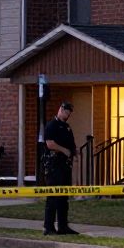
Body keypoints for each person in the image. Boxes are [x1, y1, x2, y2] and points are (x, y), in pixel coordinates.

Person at [42, 100, 79, 235]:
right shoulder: (52, 125)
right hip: (53, 166)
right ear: (61, 109)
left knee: (64, 197)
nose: (68, 114)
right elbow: (50, 144)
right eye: (66, 111)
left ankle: (63, 226)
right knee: (53, 197)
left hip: (65, 166)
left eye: (69, 112)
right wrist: (64, 150)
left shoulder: (67, 127)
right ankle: (49, 227)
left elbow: (72, 145)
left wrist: (74, 154)